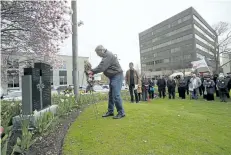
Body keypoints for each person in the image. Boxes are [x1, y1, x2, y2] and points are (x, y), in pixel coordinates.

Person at [88, 45, 125, 119]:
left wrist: (92, 71)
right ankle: (110, 111)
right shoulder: (105, 56)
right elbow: (101, 66)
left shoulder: (108, 55)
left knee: (115, 94)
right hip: (113, 77)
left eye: (98, 53)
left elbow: (102, 67)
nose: (98, 55)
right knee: (111, 94)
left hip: (117, 75)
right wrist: (92, 71)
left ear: (101, 50)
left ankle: (121, 112)